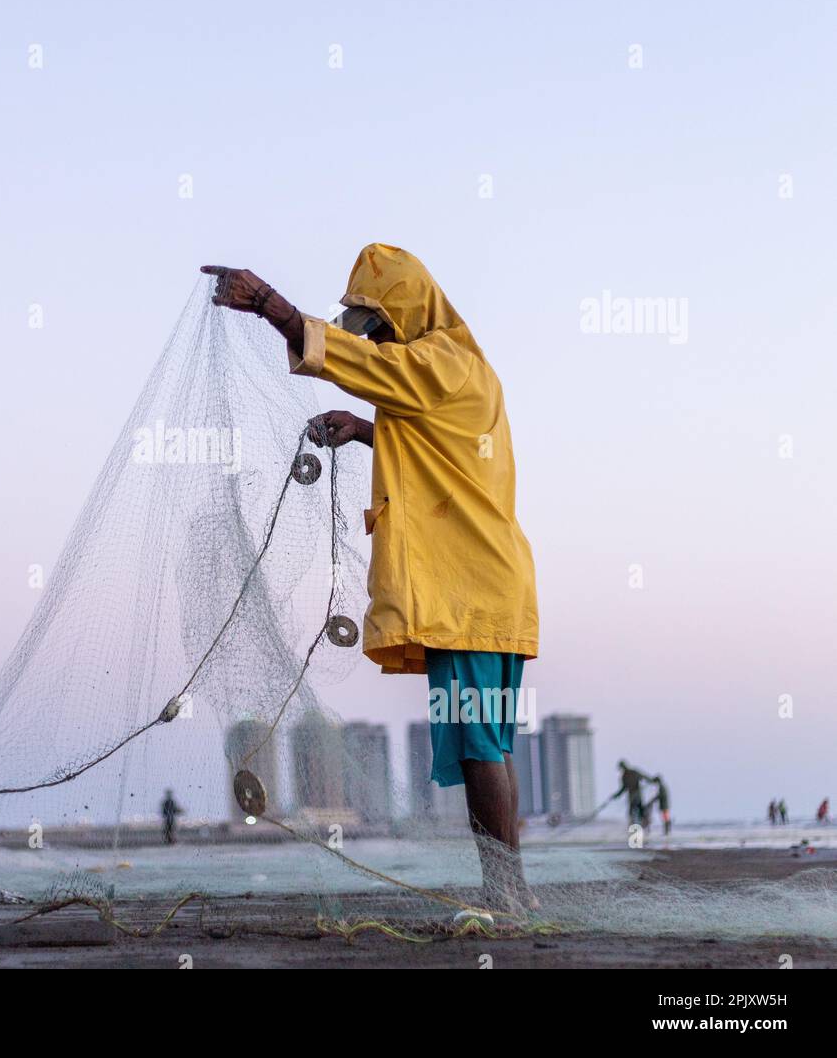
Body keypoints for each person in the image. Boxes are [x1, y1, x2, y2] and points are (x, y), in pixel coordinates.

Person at [204, 246, 539, 914]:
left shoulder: (441, 362)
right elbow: (429, 442)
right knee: (489, 740)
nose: (378, 340)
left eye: (381, 327)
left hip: (466, 592)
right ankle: (512, 890)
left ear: (408, 315)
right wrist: (363, 430)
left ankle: (506, 894)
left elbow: (372, 370)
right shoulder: (458, 373)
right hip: (489, 588)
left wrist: (269, 304)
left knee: (479, 742)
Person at [608, 760, 650, 827]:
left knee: (635, 811)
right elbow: (623, 788)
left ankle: (640, 824)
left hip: (634, 796)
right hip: (635, 796)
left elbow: (623, 789)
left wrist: (617, 795)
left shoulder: (628, 775)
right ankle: (638, 824)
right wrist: (616, 795)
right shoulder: (628, 775)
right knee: (637, 811)